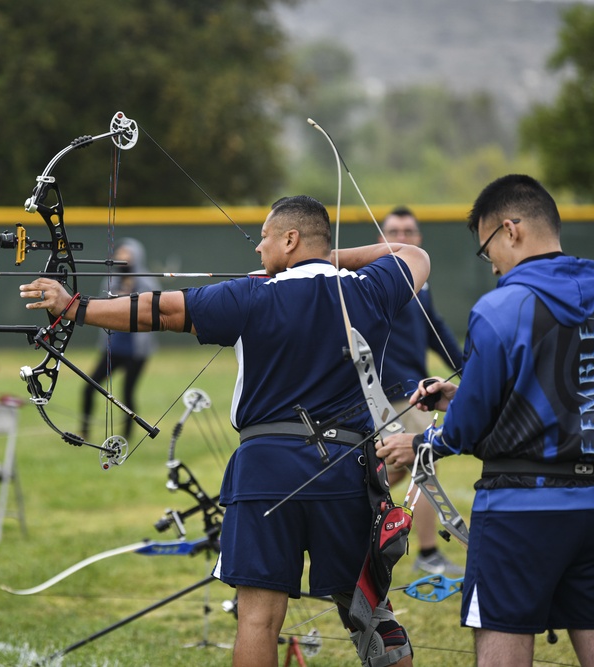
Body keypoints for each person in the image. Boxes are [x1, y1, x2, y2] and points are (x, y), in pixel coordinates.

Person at [21, 195, 429, 667]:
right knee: (371, 615)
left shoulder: (251, 294)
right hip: (344, 471)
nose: (258, 249)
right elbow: (414, 256)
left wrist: (74, 306)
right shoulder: (367, 289)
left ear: (291, 239)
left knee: (257, 620)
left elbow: (160, 312)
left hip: (265, 471)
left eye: (266, 238)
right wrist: (325, 260)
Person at [376, 175, 594, 667]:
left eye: (487, 248)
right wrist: (459, 393)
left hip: (519, 512)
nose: (490, 263)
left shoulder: (498, 306)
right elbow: (579, 394)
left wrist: (421, 443)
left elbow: (466, 429)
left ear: (511, 230)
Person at [377, 206, 464, 576]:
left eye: (409, 231)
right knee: (420, 465)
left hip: (415, 392)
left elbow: (437, 332)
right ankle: (428, 554)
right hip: (394, 393)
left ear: (420, 240)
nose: (401, 236)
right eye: (393, 230)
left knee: (397, 468)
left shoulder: (420, 286)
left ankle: (348, 509)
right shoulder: (379, 282)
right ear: (380, 239)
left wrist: (470, 368)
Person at [80, 238, 159, 443]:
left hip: (136, 351)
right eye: (120, 255)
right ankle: (84, 430)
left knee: (127, 394)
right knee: (89, 387)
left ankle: (127, 437)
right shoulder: (110, 282)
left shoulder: (147, 283)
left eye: (127, 256)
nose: (122, 259)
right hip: (113, 348)